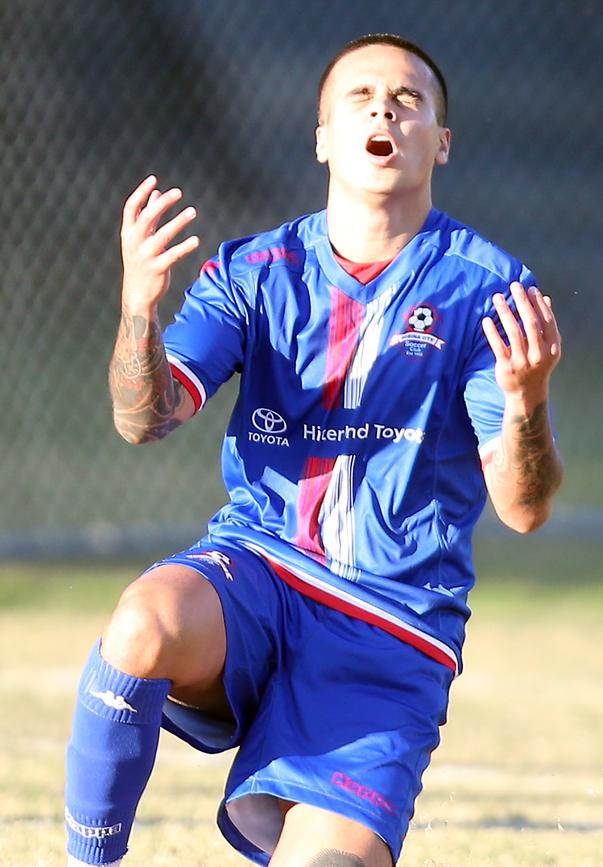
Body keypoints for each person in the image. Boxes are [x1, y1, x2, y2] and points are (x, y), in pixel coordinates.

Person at [65, 33, 563, 867]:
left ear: (440, 141)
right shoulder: (254, 270)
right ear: (324, 137)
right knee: (141, 625)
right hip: (260, 575)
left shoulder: (487, 289)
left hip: (391, 627)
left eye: (409, 100)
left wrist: (528, 400)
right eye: (360, 97)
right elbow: (141, 418)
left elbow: (525, 507)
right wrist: (139, 311)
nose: (384, 109)